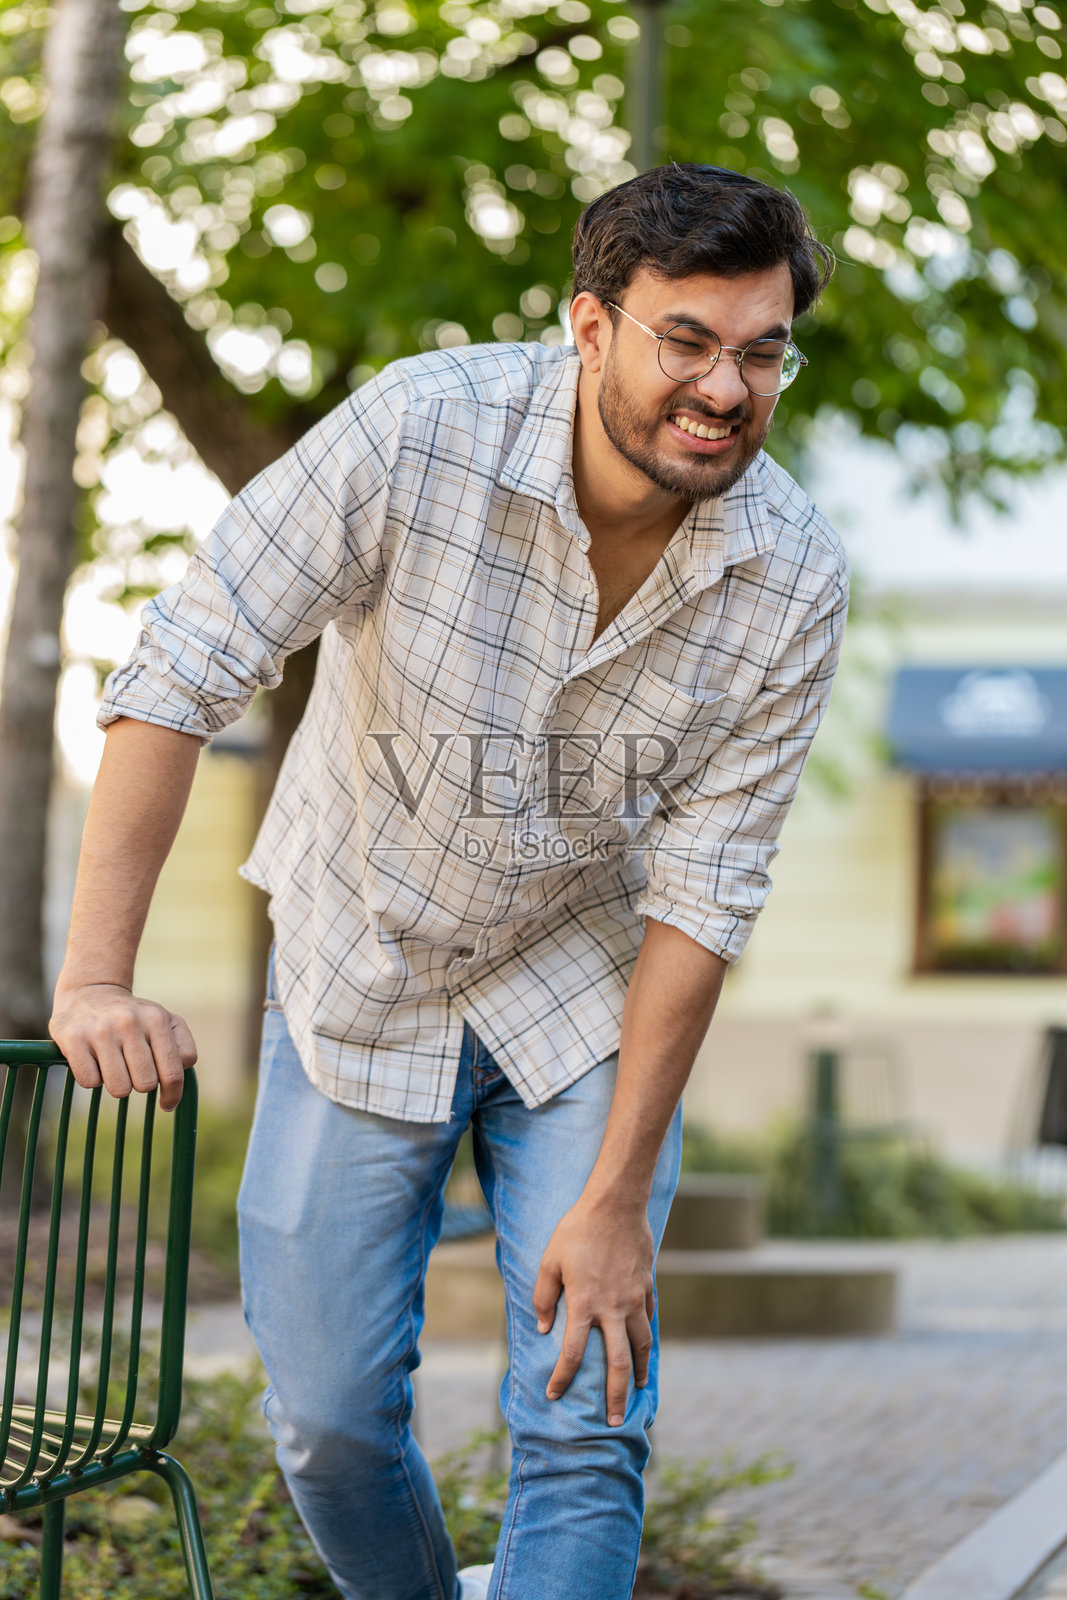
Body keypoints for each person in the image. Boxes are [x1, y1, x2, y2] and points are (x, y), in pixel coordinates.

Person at [50, 163, 847, 1600]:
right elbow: (181, 667)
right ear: (590, 325)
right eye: (687, 340)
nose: (727, 389)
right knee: (329, 1426)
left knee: (587, 1417)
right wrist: (96, 977)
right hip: (361, 958)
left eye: (762, 352)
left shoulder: (791, 577)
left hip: (582, 993)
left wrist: (616, 1200)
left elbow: (709, 890)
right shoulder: (422, 430)